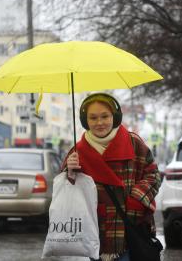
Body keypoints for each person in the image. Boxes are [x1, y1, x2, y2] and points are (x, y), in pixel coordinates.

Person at [63, 93, 161, 261]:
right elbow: (65, 192)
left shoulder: (134, 143)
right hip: (92, 231)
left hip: (130, 228)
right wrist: (69, 172)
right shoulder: (77, 152)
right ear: (85, 120)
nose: (99, 122)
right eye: (93, 118)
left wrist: (137, 200)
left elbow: (153, 175)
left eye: (105, 116)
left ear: (115, 117)